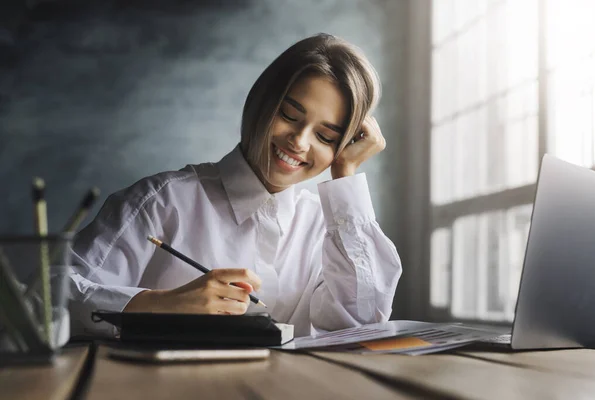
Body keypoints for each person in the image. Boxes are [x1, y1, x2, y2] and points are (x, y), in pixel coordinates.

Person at [69, 33, 402, 338]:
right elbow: (47, 298)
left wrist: (345, 174)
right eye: (288, 114)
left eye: (325, 136)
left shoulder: (328, 227)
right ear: (262, 101)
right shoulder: (161, 201)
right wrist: (162, 304)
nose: (299, 142)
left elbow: (361, 327)